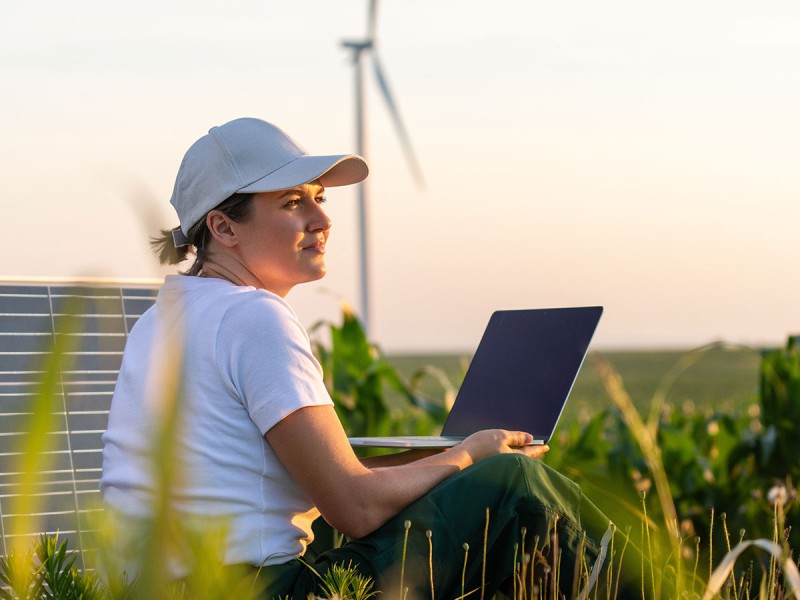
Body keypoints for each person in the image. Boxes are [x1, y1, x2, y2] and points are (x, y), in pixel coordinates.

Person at [100, 117, 626, 599]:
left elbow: (327, 480)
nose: (321, 218)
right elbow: (354, 507)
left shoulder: (163, 321)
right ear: (223, 228)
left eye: (319, 198)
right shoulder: (252, 318)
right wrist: (469, 459)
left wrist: (452, 456)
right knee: (514, 486)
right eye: (291, 203)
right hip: (255, 589)